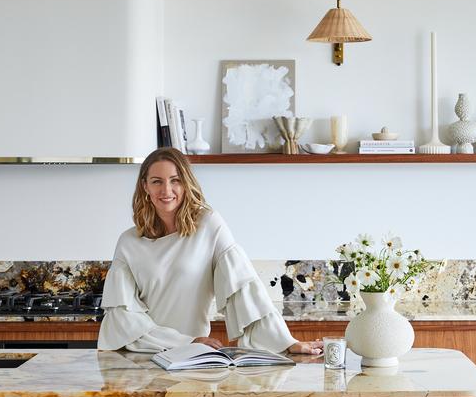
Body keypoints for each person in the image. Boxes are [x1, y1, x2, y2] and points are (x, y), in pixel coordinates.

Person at [97, 148, 323, 356]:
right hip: (145, 356)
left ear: (186, 184)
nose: (166, 190)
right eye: (157, 181)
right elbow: (122, 319)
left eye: (175, 180)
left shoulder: (209, 225)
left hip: (195, 356)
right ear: (145, 186)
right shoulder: (128, 242)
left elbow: (244, 287)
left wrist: (286, 341)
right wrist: (183, 341)